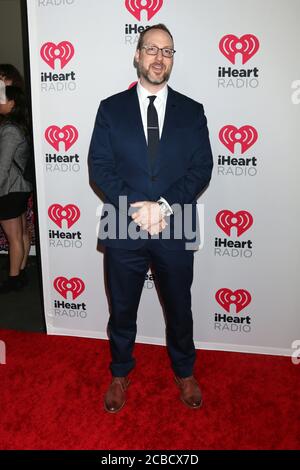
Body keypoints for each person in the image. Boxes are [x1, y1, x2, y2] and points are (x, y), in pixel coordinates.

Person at [88, 24, 213, 413]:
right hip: (123, 223)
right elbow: (100, 166)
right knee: (121, 307)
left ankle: (184, 370)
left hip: (175, 223)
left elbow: (202, 167)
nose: (160, 58)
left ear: (172, 59)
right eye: (152, 49)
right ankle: (121, 371)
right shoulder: (110, 109)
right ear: (137, 55)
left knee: (180, 306)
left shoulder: (192, 111)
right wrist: (137, 206)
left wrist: (163, 206)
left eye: (168, 51)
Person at [0, 86, 32, 293]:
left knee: (14, 237)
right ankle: (19, 271)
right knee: (20, 233)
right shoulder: (19, 126)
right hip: (19, 188)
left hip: (10, 189)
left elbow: (2, 166)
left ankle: (14, 279)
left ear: (12, 103)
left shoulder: (10, 129)